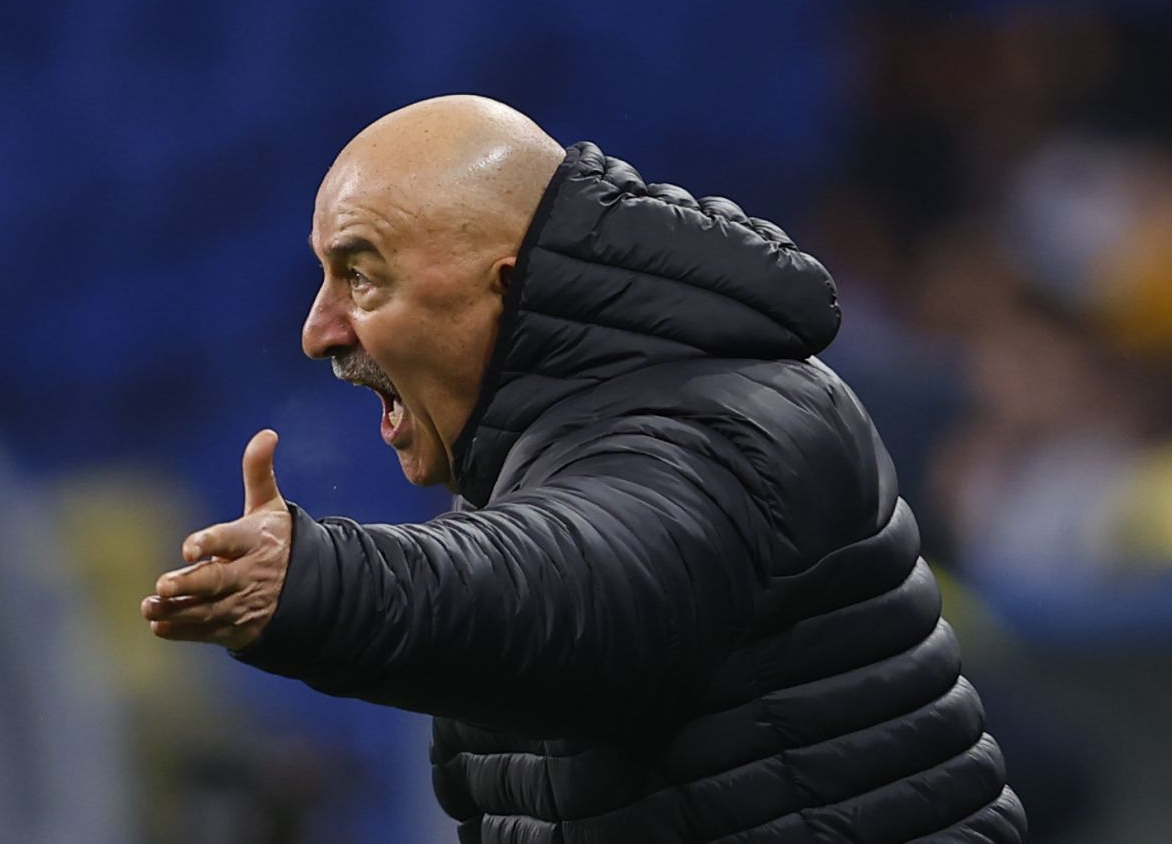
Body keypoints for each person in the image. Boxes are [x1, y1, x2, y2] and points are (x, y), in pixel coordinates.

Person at [141, 95, 1027, 843]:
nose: (319, 330)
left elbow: (581, 585)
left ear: (504, 286)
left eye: (361, 277)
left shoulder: (725, 423)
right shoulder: (541, 460)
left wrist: (319, 581)